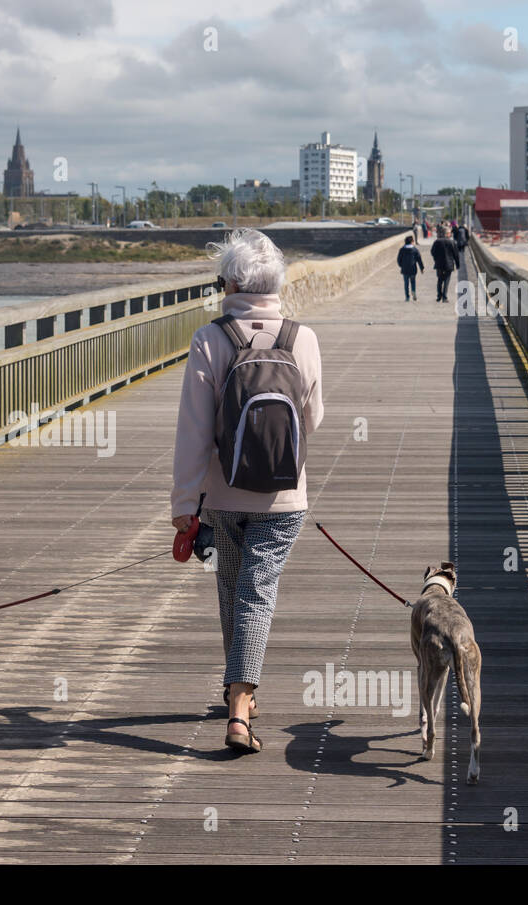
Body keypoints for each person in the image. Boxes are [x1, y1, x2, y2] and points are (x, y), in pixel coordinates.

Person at [171, 228, 323, 754]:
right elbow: (314, 417)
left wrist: (185, 505)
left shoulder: (209, 339)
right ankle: (241, 701)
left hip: (224, 495)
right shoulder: (302, 338)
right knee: (255, 592)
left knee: (234, 590)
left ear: (232, 282)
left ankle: (238, 702)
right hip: (284, 497)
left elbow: (193, 431)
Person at [430, 225, 460, 302]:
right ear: (447, 234)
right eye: (450, 233)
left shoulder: (437, 241)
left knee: (439, 280)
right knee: (446, 281)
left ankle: (439, 295)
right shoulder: (452, 242)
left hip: (439, 264)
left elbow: (432, 252)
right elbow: (456, 255)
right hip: (449, 264)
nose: (451, 234)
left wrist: (436, 259)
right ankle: (444, 297)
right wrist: (457, 265)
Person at [397, 234, 425, 301]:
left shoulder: (402, 250)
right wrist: (422, 268)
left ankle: (407, 297)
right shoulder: (415, 250)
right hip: (413, 268)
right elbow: (419, 259)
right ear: (412, 241)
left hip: (405, 269)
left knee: (406, 283)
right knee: (413, 281)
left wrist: (401, 265)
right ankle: (413, 291)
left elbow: (398, 260)